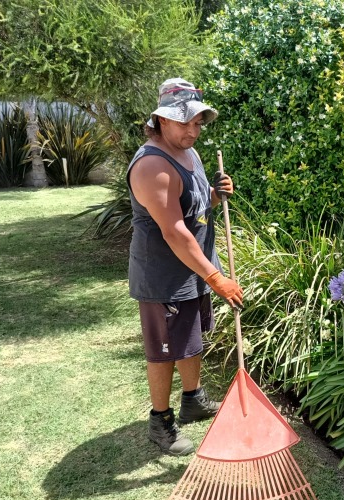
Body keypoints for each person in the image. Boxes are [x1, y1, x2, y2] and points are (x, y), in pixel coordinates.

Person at [127, 77, 243, 456]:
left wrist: (214, 194)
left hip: (192, 268)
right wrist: (216, 277)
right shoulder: (152, 166)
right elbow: (175, 231)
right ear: (162, 120)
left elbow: (190, 205)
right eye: (184, 122)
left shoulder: (187, 152)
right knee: (163, 351)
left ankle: (192, 399)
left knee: (191, 340)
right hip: (164, 277)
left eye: (198, 122)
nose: (193, 130)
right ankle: (161, 421)